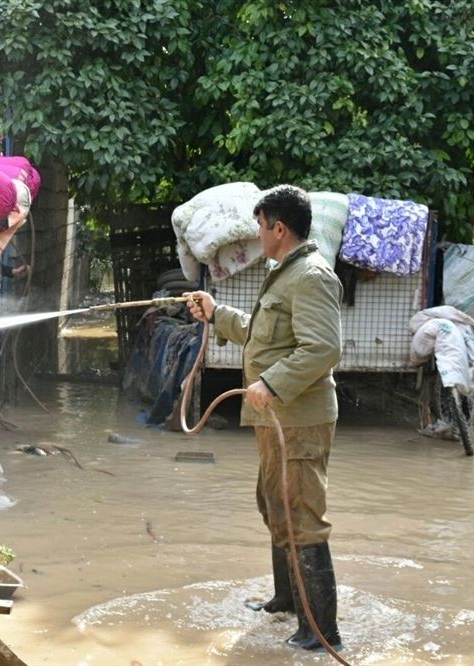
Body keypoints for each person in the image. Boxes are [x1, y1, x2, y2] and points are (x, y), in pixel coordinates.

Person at [187, 184, 343, 651]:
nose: (258, 234)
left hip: (298, 419)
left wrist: (271, 383)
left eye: (260, 225)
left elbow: (323, 348)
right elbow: (263, 335)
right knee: (274, 505)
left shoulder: (311, 276)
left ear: (279, 227)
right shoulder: (285, 274)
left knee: (300, 516)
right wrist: (216, 315)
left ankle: (321, 633)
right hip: (279, 420)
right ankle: (286, 602)